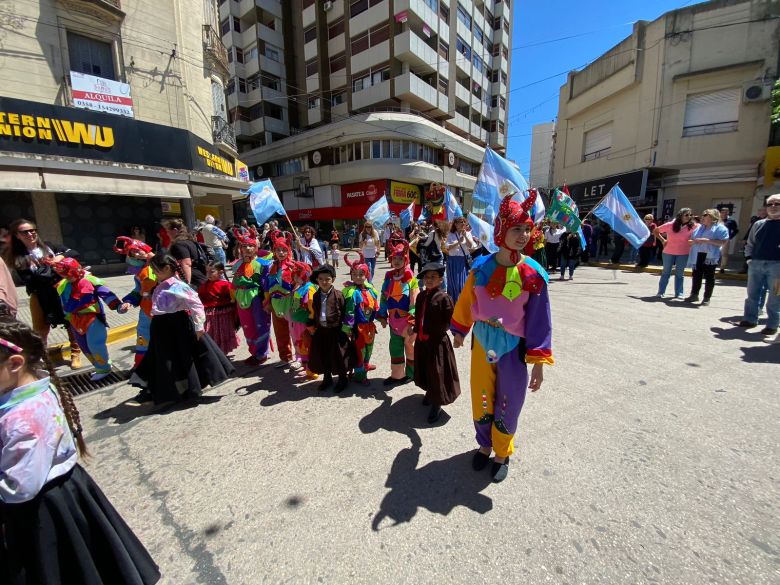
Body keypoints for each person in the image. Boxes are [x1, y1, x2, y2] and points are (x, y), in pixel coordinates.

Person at [0, 319, 161, 584]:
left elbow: (20, 488)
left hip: (43, 507)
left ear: (16, 364)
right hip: (64, 492)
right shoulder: (34, 387)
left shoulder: (22, 420)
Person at [451, 190, 554, 483]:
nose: (523, 235)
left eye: (526, 229)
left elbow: (540, 322)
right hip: (483, 343)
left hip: (513, 348)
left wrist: (538, 363)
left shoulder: (534, 274)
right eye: (516, 228)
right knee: (482, 398)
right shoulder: (480, 267)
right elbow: (466, 302)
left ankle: (501, 452)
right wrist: (460, 331)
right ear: (501, 230)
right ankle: (484, 446)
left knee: (509, 401)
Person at [130, 253, 234, 404]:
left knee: (179, 358)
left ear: (166, 268)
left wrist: (199, 326)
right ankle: (155, 390)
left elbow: (196, 304)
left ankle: (180, 389)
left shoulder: (178, 286)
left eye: (155, 269)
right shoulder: (161, 284)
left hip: (177, 325)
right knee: (160, 359)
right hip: (161, 327)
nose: (153, 273)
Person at [3, 219, 81, 368]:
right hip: (40, 295)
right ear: (17, 235)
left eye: (33, 230)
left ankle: (75, 354)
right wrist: (51, 268)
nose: (31, 234)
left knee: (71, 322)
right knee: (40, 329)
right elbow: (29, 280)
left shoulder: (49, 246)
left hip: (61, 291)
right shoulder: (17, 256)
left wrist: (60, 258)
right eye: (25, 232)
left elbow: (74, 253)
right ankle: (44, 359)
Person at [50, 258, 122, 382]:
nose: (67, 278)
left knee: (95, 345)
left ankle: (104, 368)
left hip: (92, 318)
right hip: (74, 319)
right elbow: (63, 302)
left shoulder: (89, 281)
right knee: (84, 346)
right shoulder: (63, 284)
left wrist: (118, 305)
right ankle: (101, 365)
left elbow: (105, 293)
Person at [413, 262, 461, 424]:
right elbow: (419, 316)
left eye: (433, 277)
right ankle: (429, 392)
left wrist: (456, 334)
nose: (429, 280)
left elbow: (451, 319)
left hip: (437, 343)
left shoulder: (444, 297)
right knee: (426, 369)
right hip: (422, 341)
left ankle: (437, 403)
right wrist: (414, 331)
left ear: (441, 279)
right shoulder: (420, 296)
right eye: (426, 277)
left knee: (437, 372)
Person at [738, 193, 780, 335]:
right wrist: (749, 259)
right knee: (752, 294)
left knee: (775, 296)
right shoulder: (758, 224)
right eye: (770, 204)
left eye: (777, 204)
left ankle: (772, 324)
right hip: (756, 264)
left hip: (777, 266)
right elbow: (750, 243)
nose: (773, 207)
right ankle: (750, 319)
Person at [378, 241, 418, 386]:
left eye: (400, 259)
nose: (397, 261)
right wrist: (382, 315)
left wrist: (413, 321)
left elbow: (414, 301)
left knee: (409, 347)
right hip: (393, 321)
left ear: (406, 260)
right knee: (395, 348)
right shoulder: (388, 279)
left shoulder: (411, 280)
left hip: (407, 322)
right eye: (394, 258)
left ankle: (411, 374)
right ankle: (397, 375)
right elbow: (383, 298)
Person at [307, 264, 352, 393]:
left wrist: (347, 328)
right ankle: (327, 378)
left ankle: (343, 379)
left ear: (333, 279)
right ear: (317, 280)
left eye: (327, 279)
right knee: (323, 355)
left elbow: (344, 312)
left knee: (339, 356)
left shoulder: (338, 295)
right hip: (321, 331)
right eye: (321, 279)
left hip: (336, 331)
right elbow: (314, 312)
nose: (324, 282)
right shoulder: (315, 296)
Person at [114, 236, 158, 367]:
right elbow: (138, 290)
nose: (137, 255)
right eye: (133, 254)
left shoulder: (163, 263)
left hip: (164, 309)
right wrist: (129, 301)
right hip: (146, 310)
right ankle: (140, 366)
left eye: (137, 251)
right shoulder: (139, 271)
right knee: (143, 338)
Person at [231, 235, 273, 366]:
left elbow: (266, 284)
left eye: (250, 246)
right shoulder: (237, 263)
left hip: (257, 298)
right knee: (247, 327)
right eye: (244, 246)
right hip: (241, 298)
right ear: (241, 248)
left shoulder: (263, 263)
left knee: (261, 325)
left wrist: (267, 301)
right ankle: (254, 352)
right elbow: (234, 282)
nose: (247, 248)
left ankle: (261, 354)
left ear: (256, 248)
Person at [342, 253, 379, 385]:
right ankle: (360, 375)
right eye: (355, 274)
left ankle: (366, 364)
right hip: (358, 327)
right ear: (351, 275)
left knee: (369, 348)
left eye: (361, 274)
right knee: (360, 350)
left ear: (366, 275)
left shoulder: (370, 289)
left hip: (369, 326)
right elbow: (349, 311)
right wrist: (347, 328)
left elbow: (375, 306)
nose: (358, 277)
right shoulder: (351, 292)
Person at [684, 209, 729, 306]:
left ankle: (707, 298)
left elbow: (723, 242)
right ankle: (694, 294)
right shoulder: (699, 228)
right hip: (698, 254)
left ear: (713, 217)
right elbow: (692, 239)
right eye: (703, 215)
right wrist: (692, 242)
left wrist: (707, 241)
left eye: (705, 215)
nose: (702, 217)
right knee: (696, 275)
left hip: (710, 256)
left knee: (709, 276)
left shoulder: (720, 228)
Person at [198, 262, 240, 356]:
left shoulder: (226, 285)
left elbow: (234, 298)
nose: (208, 274)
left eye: (211, 272)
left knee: (223, 333)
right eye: (207, 272)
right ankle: (215, 353)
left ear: (220, 272)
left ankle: (222, 354)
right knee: (211, 333)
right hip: (209, 316)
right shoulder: (203, 286)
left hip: (224, 315)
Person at [654, 208, 696, 298]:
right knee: (666, 272)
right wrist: (663, 240)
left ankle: (679, 293)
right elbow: (656, 231)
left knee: (680, 273)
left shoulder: (693, 226)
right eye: (686, 215)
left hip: (683, 253)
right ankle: (661, 292)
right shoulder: (671, 224)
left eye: (690, 215)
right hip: (668, 252)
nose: (689, 217)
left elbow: (702, 230)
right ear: (680, 215)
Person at [266, 238, 295, 366]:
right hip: (275, 303)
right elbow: (267, 286)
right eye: (278, 250)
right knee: (280, 332)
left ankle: (301, 357)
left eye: (284, 250)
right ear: (274, 251)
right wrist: (267, 302)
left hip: (290, 303)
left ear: (288, 251)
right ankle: (285, 357)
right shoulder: (271, 266)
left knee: (296, 333)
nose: (281, 253)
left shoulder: (293, 266)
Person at [290, 262, 318, 381]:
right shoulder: (300, 287)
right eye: (294, 276)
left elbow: (311, 306)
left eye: (297, 275)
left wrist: (311, 322)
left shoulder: (309, 287)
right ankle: (305, 366)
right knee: (301, 344)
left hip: (305, 323)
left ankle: (311, 371)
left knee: (307, 345)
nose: (295, 278)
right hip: (297, 322)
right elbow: (295, 305)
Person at [166, 219, 208, 289]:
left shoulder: (179, 244)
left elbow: (186, 264)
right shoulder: (190, 241)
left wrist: (186, 285)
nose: (167, 234)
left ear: (175, 230)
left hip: (193, 282)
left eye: (168, 231)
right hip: (200, 278)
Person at [444, 217, 477, 303]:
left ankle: (462, 302)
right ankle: (453, 302)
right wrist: (458, 242)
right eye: (460, 222)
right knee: (453, 284)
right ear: (455, 224)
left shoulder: (468, 234)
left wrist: (465, 236)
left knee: (462, 283)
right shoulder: (451, 234)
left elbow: (471, 247)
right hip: (452, 261)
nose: (463, 223)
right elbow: (447, 247)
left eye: (464, 222)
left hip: (463, 261)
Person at [718, 206, 739, 273]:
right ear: (720, 213)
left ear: (728, 213)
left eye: (726, 212)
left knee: (724, 254)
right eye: (723, 212)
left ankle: (722, 268)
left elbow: (736, 230)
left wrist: (730, 237)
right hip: (715, 238)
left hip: (725, 239)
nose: (724, 213)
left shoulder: (731, 221)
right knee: (713, 253)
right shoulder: (716, 220)